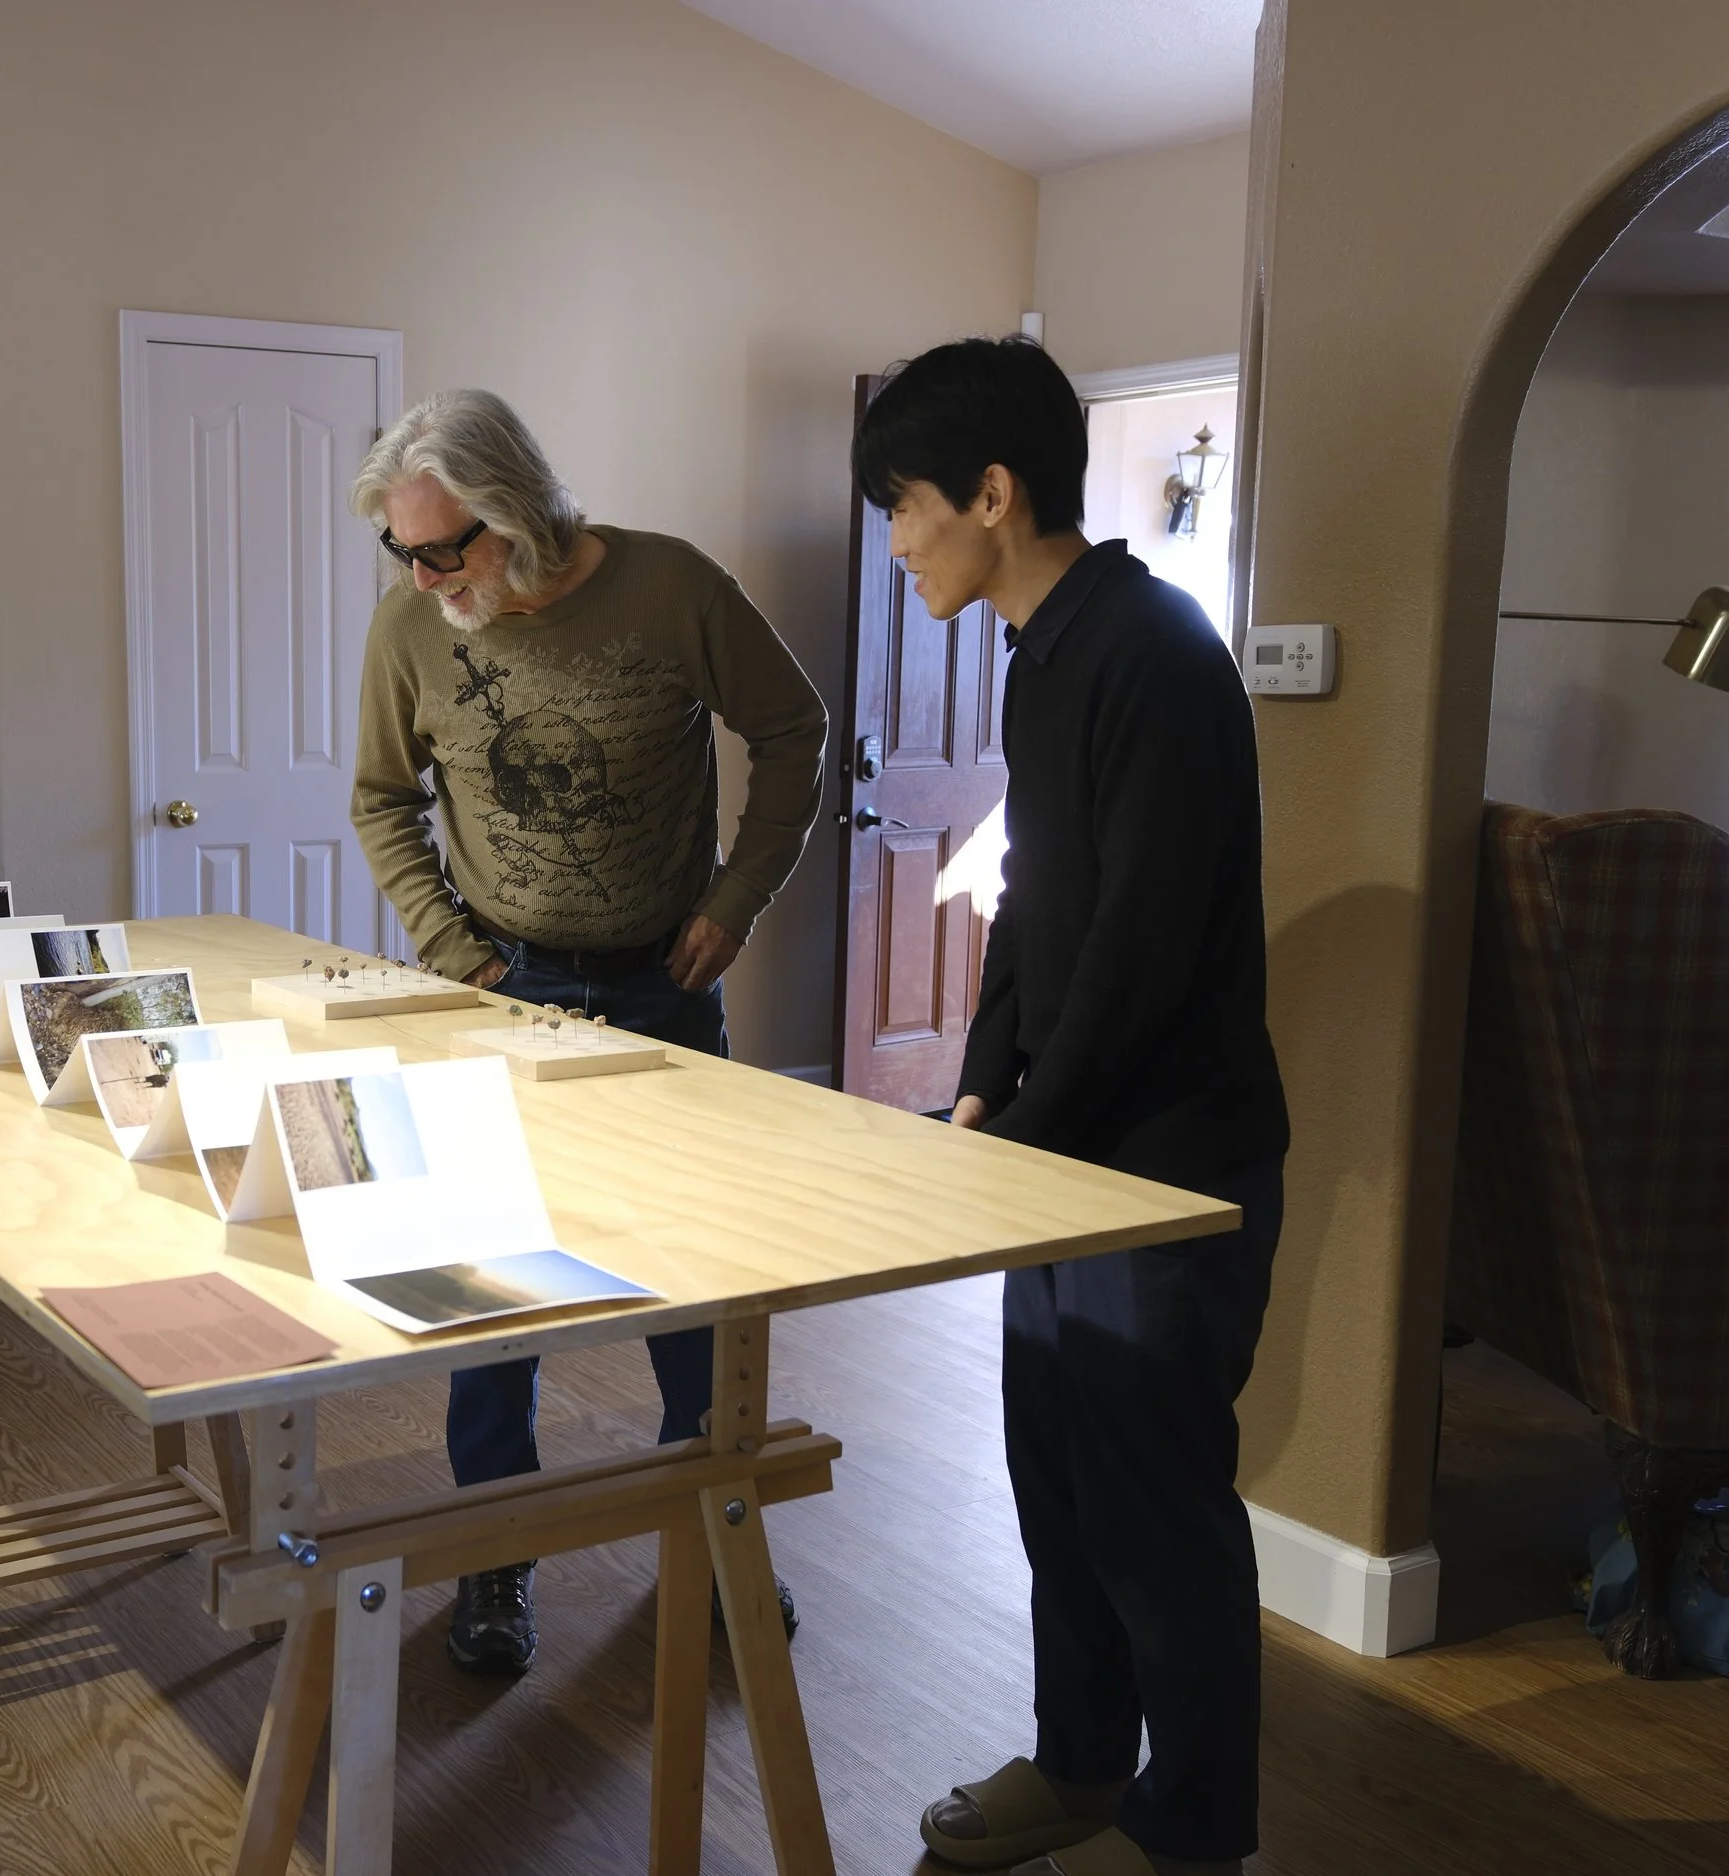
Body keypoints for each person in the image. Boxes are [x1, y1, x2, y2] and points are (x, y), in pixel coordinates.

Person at [851, 338, 1288, 1876]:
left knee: (1157, 1506)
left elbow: (1144, 950)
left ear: (991, 490)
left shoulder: (1156, 653)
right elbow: (1039, 909)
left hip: (1168, 1165)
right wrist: (981, 1085)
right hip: (1072, 1149)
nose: (895, 543)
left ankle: (1196, 1832)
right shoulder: (1044, 649)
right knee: (1057, 1480)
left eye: (904, 507)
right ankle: (1083, 1763)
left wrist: (1030, 1142)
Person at [348, 389, 828, 1674]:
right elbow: (382, 801)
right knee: (490, 1291)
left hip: (665, 989)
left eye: (449, 546)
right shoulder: (412, 628)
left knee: (689, 1279)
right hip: (500, 991)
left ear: (521, 513)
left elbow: (792, 733)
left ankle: (715, 1541)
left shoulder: (670, 589)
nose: (428, 573)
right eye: (405, 549)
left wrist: (737, 898)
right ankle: (492, 1561)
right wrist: (459, 954)